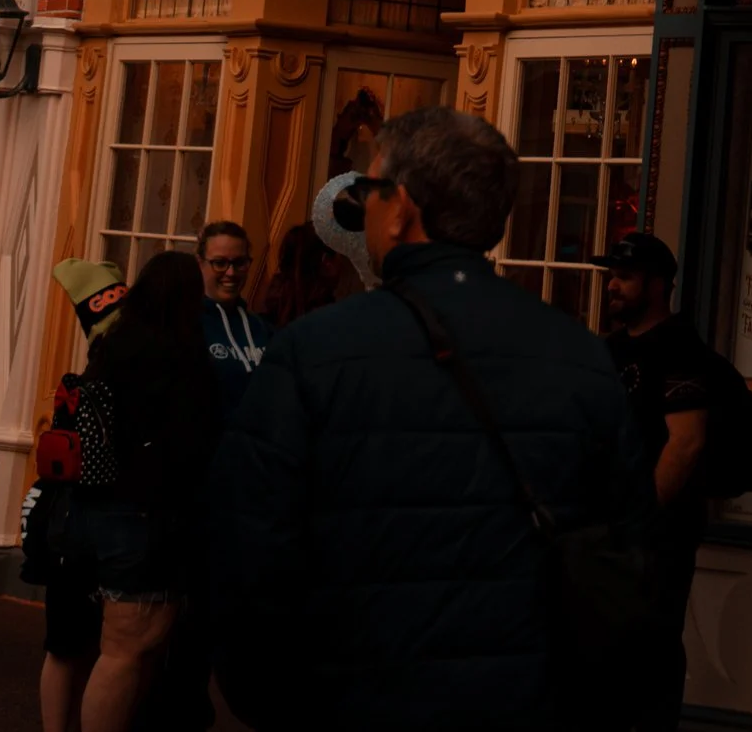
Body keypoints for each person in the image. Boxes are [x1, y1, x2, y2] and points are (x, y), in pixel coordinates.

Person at [209, 104, 645, 732]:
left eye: (373, 188)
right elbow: (630, 541)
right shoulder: (580, 355)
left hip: (353, 697)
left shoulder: (314, 352)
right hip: (525, 699)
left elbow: (251, 548)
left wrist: (273, 699)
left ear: (402, 207)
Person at [49, 250, 219, 732]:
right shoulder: (183, 355)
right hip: (141, 517)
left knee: (74, 647)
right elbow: (192, 446)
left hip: (82, 510)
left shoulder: (110, 345)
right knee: (124, 652)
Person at [599, 235, 718, 732]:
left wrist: (641, 521)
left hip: (656, 534)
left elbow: (686, 442)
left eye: (624, 277)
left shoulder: (679, 347)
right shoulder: (611, 347)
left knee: (650, 650)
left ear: (656, 285)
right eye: (612, 275)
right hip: (608, 530)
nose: (612, 285)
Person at [27, 260, 127, 732]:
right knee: (73, 647)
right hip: (84, 527)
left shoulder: (81, 387)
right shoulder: (91, 391)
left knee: (75, 647)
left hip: (72, 530)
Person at [195, 225, 266, 412]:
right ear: (199, 264)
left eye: (240, 263)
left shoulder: (261, 328)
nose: (231, 273)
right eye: (219, 263)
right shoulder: (186, 326)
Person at [253, 221, 347, 335]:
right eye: (341, 255)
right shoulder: (331, 321)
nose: (342, 262)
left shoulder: (264, 315)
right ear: (327, 262)